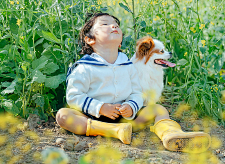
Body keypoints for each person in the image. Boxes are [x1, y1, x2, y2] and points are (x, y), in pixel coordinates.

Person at [56, 12, 211, 152]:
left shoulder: (127, 65)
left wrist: (131, 106)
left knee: (158, 109)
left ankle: (171, 134)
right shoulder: (85, 67)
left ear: (120, 42)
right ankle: (112, 131)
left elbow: (136, 92)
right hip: (93, 117)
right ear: (90, 39)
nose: (113, 26)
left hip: (127, 118)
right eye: (105, 24)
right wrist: (101, 107)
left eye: (116, 24)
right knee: (63, 115)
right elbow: (74, 96)